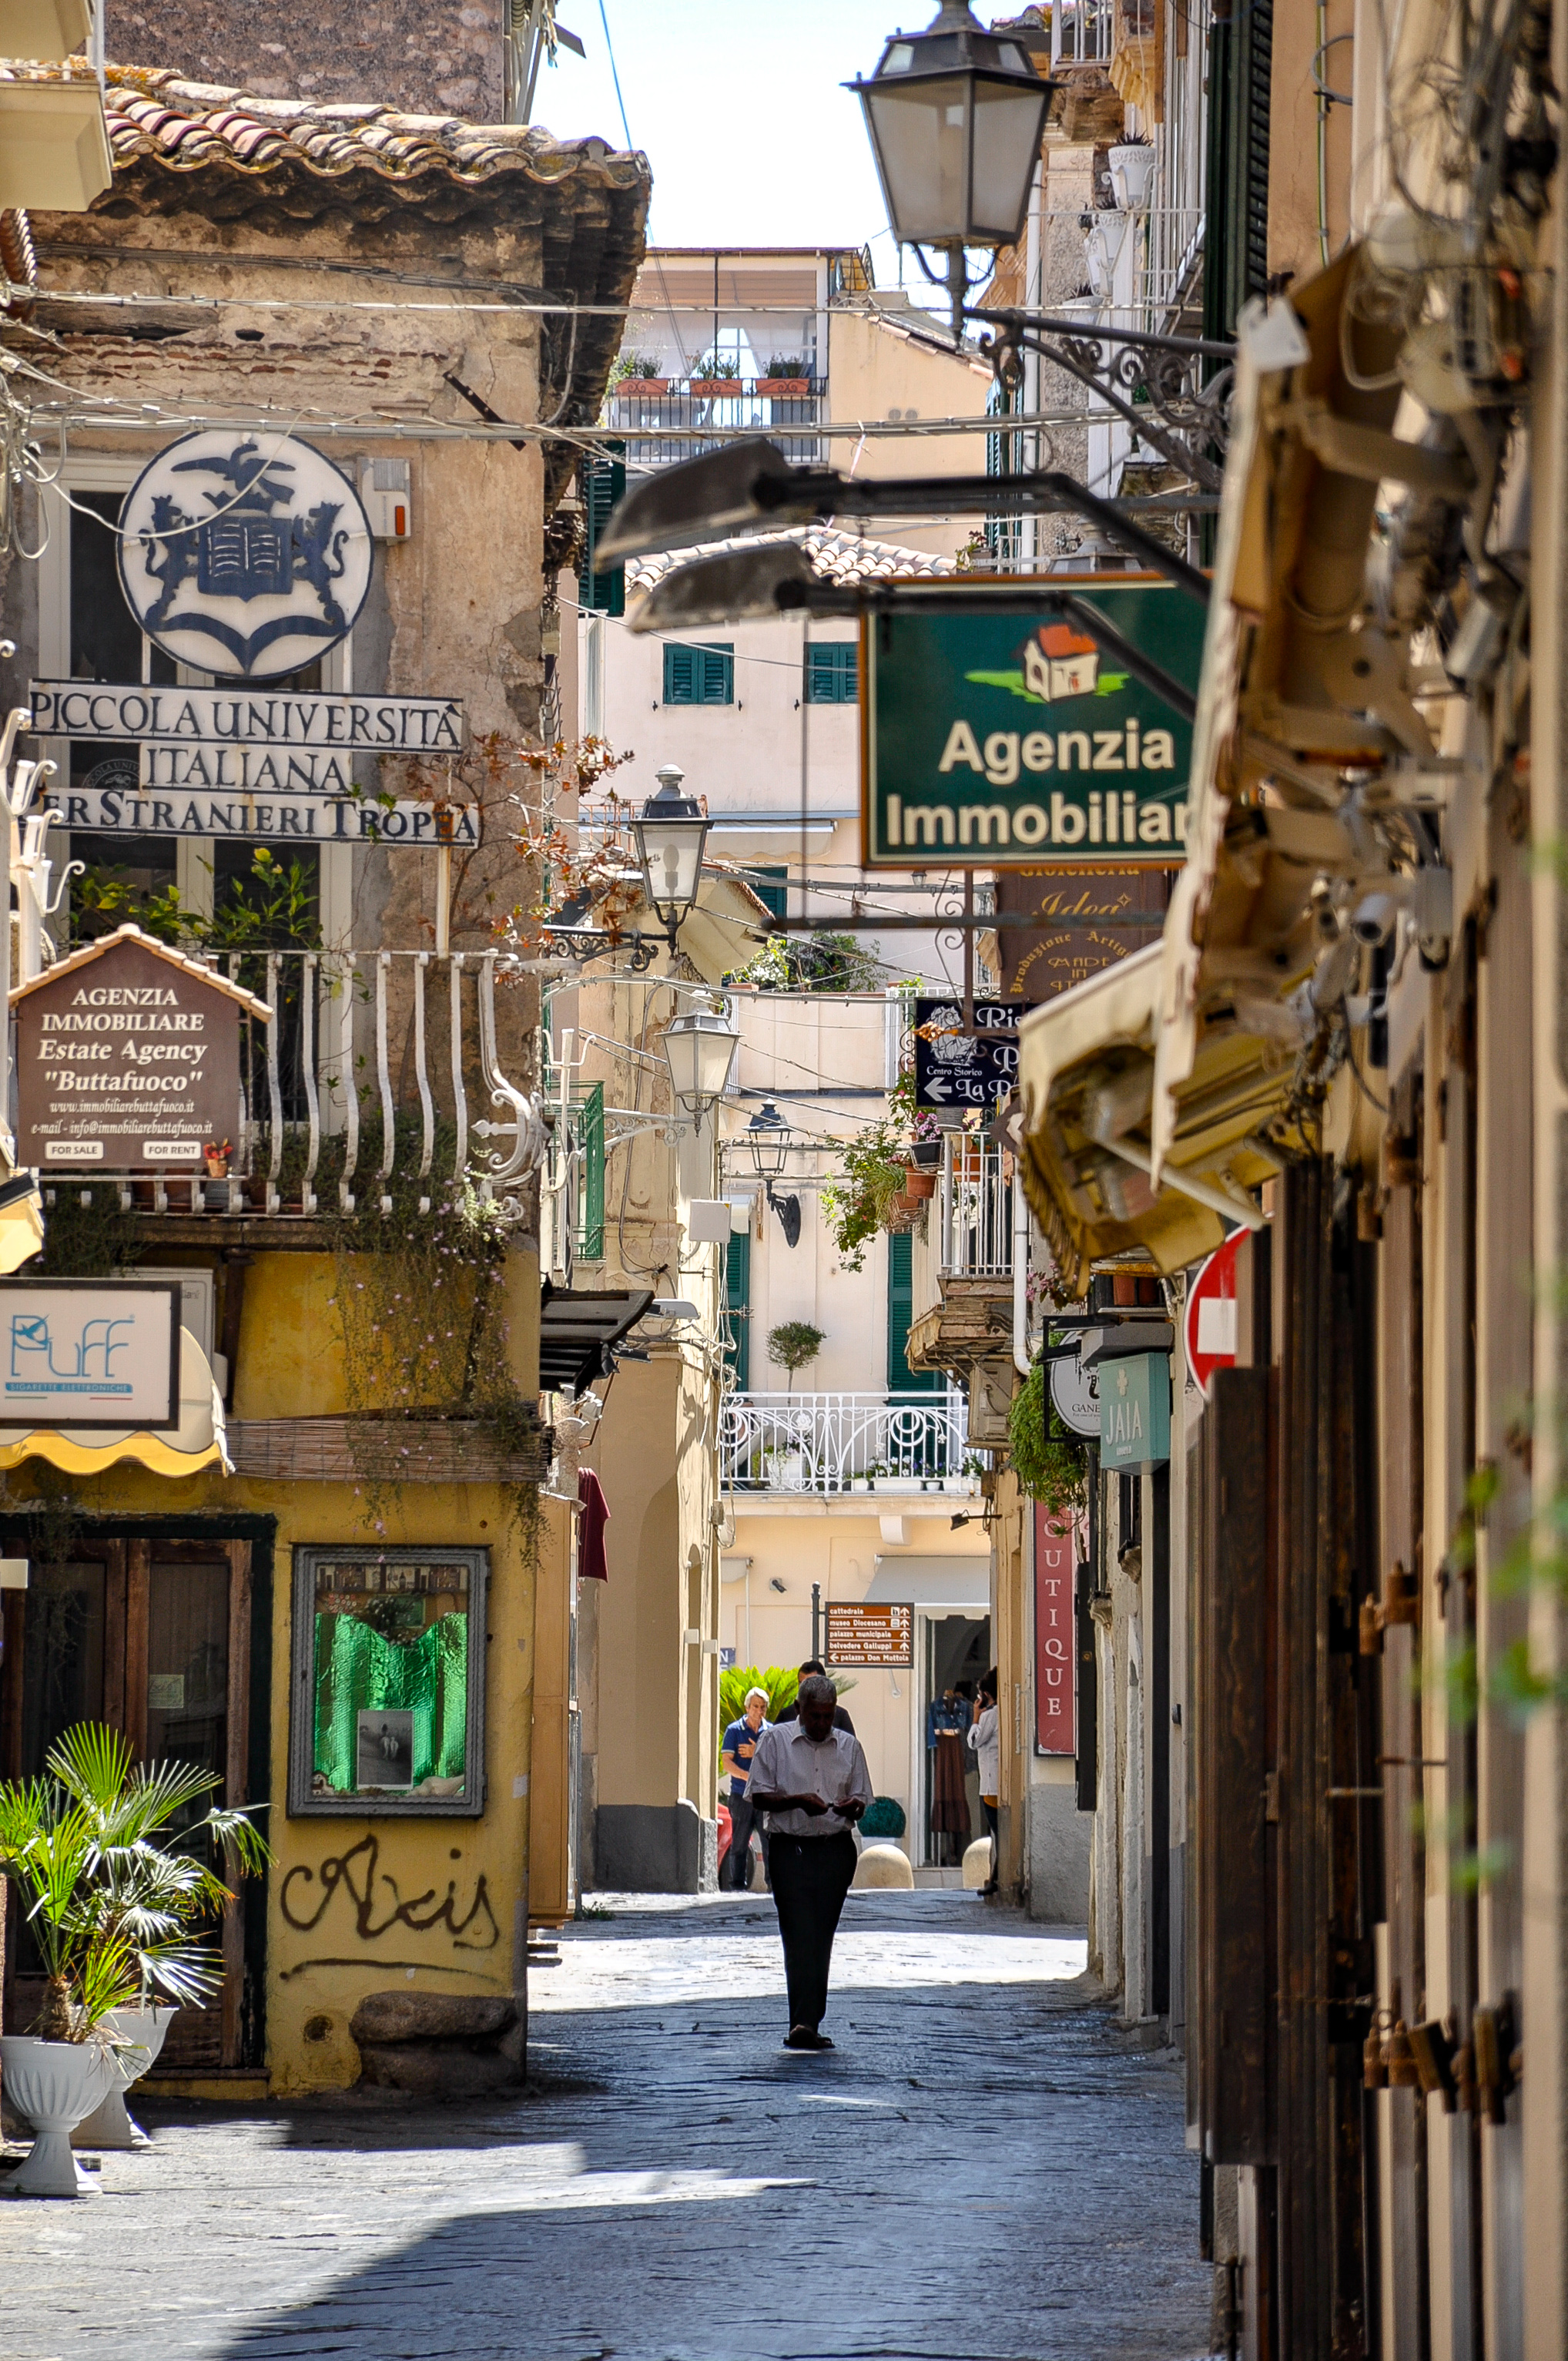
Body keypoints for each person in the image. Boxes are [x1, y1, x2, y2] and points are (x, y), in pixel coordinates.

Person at [747, 1673, 874, 2049]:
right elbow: (758, 1796)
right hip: (791, 1848)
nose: (821, 1724)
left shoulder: (849, 1747)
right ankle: (801, 2021)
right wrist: (798, 1801)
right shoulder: (774, 1741)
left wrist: (854, 1806)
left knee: (822, 1935)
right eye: (815, 1716)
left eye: (828, 1716)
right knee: (798, 1932)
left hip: (835, 1849)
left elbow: (862, 1798)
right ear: (800, 1710)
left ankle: (810, 2020)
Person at [719, 1685, 771, 1891]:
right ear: (747, 1707)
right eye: (755, 1706)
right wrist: (749, 1776)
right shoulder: (734, 1730)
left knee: (769, 1844)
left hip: (766, 1797)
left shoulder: (771, 1731)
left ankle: (772, 1886)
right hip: (741, 1796)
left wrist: (755, 1751)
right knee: (739, 1843)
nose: (759, 1711)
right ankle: (737, 1887)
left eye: (763, 1707)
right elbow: (727, 1763)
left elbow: (777, 1760)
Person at [968, 1671, 1000, 1897]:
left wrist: (975, 1717)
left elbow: (974, 1741)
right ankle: (995, 1877)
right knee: (998, 1833)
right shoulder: (1000, 1712)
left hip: (990, 1783)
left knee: (996, 1832)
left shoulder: (990, 1716)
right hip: (996, 1780)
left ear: (986, 1695)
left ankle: (995, 1878)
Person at [774, 1659, 856, 1734]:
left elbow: (850, 1747)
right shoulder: (786, 1715)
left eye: (810, 1684)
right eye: (801, 1684)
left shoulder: (840, 1716)